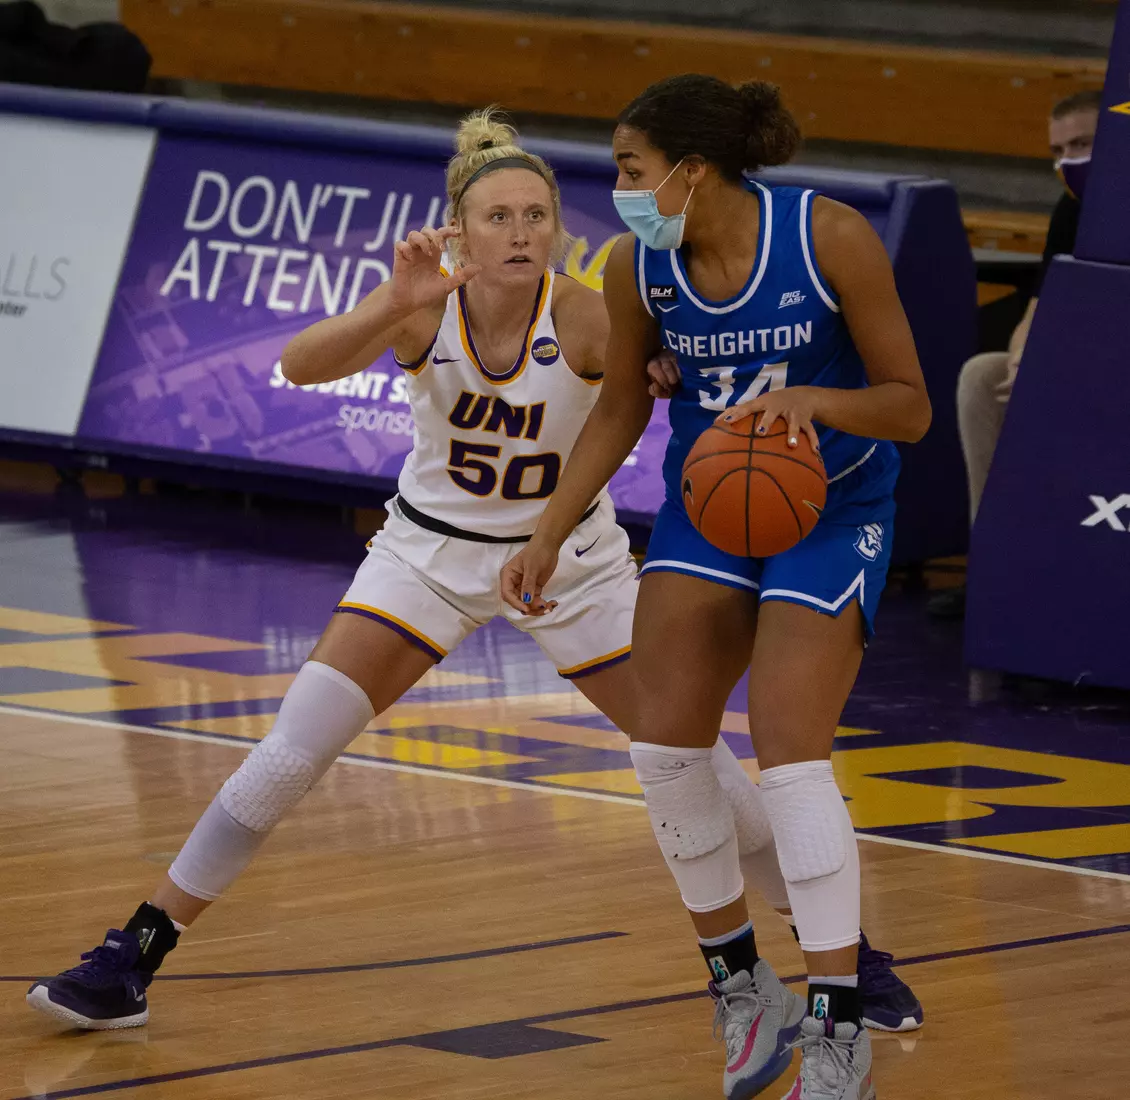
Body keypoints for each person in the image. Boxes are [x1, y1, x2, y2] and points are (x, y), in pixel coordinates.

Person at [25, 108, 918, 1039]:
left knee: (695, 770)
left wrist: (663, 369)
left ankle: (849, 959)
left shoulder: (584, 310)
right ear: (458, 230)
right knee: (289, 751)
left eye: (538, 214)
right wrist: (390, 302)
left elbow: (666, 383)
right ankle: (135, 954)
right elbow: (298, 366)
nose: (523, 231)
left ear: (560, 233)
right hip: (427, 552)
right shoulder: (425, 305)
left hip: (570, 563)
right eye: (500, 217)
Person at [502, 75, 930, 1100]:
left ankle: (835, 1027)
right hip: (709, 505)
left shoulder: (828, 237)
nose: (619, 190)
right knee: (664, 744)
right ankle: (743, 991)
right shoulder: (638, 265)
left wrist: (811, 400)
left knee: (788, 757)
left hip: (831, 505)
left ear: (692, 171)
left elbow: (910, 406)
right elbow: (616, 408)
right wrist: (546, 532)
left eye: (631, 169)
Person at [928, 89, 1100, 620]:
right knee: (985, 376)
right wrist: (1027, 353)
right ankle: (996, 567)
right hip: (1081, 362)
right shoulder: (1071, 209)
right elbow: (1038, 304)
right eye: (1058, 150)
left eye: (1083, 143)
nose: (1067, 160)